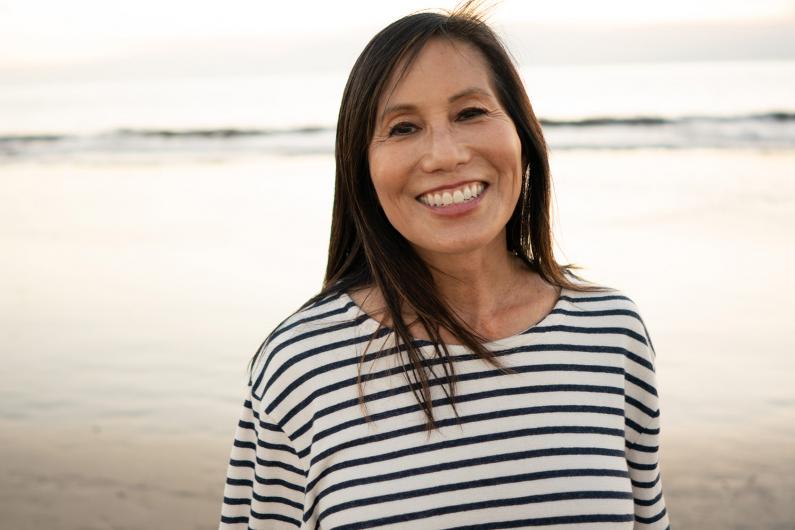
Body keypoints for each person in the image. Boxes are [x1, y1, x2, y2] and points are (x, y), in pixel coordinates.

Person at [219, 4, 669, 529]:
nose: (445, 155)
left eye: (470, 113)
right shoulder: (301, 365)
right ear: (362, 168)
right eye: (404, 127)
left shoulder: (610, 334)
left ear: (521, 133)